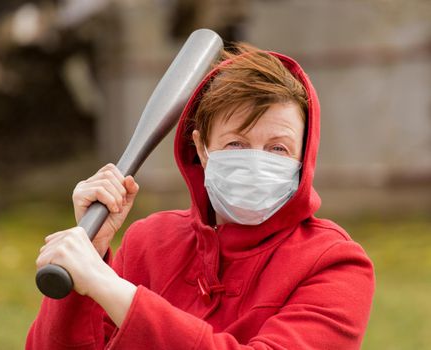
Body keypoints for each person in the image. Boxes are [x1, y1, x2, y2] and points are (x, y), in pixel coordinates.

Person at [27, 43, 375, 349]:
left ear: (304, 157)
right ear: (202, 149)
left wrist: (111, 288)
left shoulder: (335, 265)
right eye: (236, 144)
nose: (256, 162)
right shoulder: (148, 243)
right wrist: (88, 257)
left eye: (278, 149)